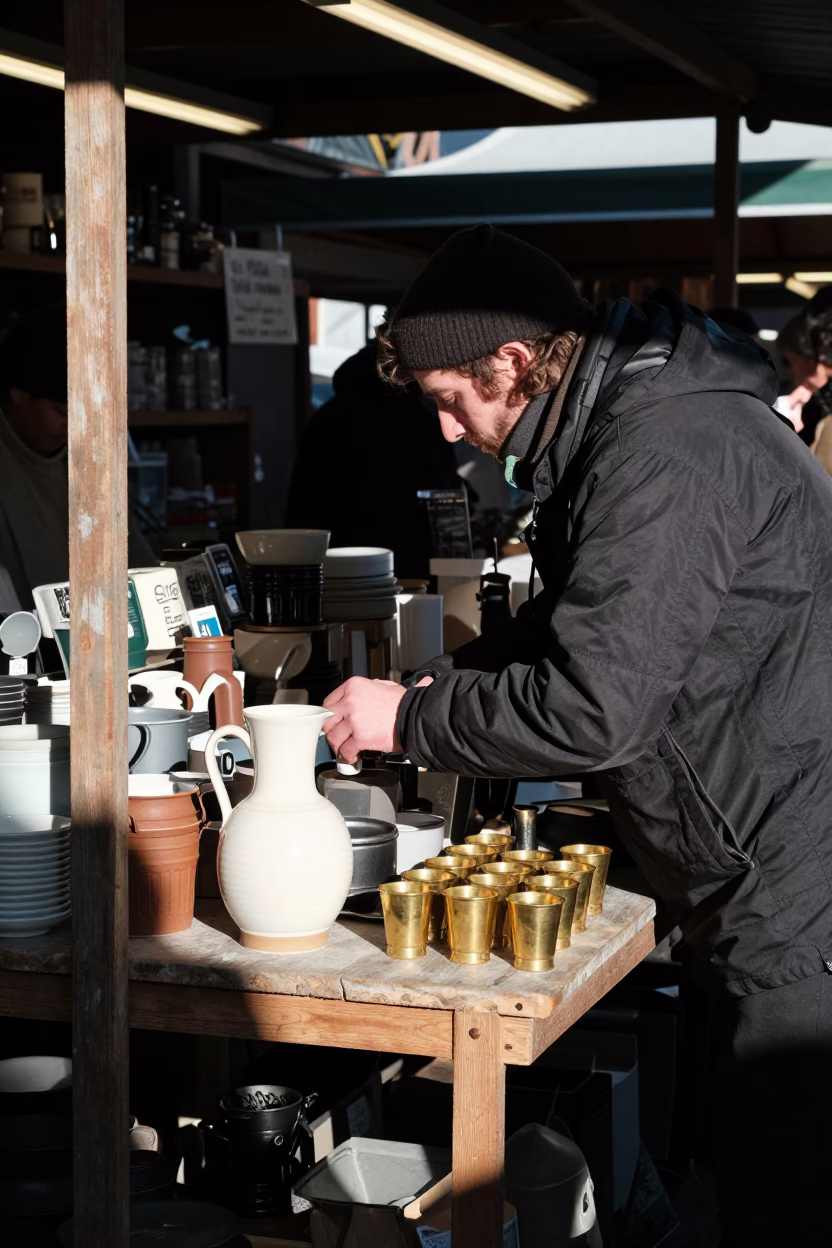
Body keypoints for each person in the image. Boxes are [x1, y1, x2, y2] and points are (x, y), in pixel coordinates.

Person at [322, 224, 832, 1247]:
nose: (452, 433)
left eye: (448, 400)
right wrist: (451, 676)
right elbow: (584, 622)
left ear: (512, 362)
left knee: (791, 1194)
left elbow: (598, 706)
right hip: (763, 835)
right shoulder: (642, 423)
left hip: (791, 870)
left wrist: (414, 718)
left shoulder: (664, 452)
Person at [0, 305, 154, 611]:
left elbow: (138, 564)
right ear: (17, 395)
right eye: (60, 412)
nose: (72, 428)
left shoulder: (85, 465)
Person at [286, 341, 460, 578]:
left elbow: (303, 508)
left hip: (337, 573)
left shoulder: (329, 416)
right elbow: (446, 502)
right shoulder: (416, 421)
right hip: (410, 572)